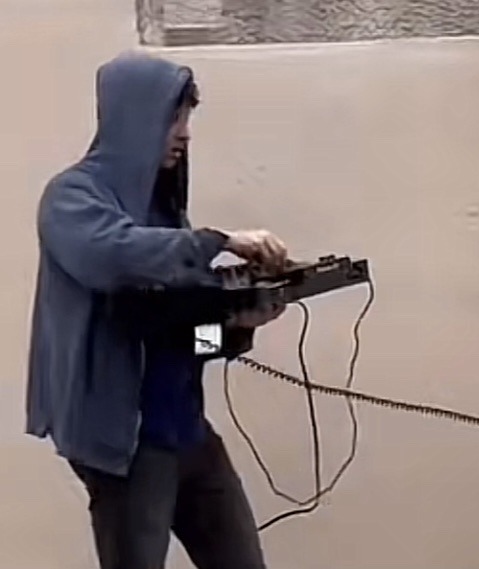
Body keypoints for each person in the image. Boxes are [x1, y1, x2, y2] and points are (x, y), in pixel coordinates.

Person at [26, 51, 288, 569]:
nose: (184, 133)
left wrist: (234, 329)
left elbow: (181, 342)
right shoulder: (71, 198)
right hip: (128, 448)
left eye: (187, 118)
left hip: (189, 435)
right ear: (133, 117)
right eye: (172, 118)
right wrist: (218, 240)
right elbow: (114, 256)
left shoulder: (165, 215)